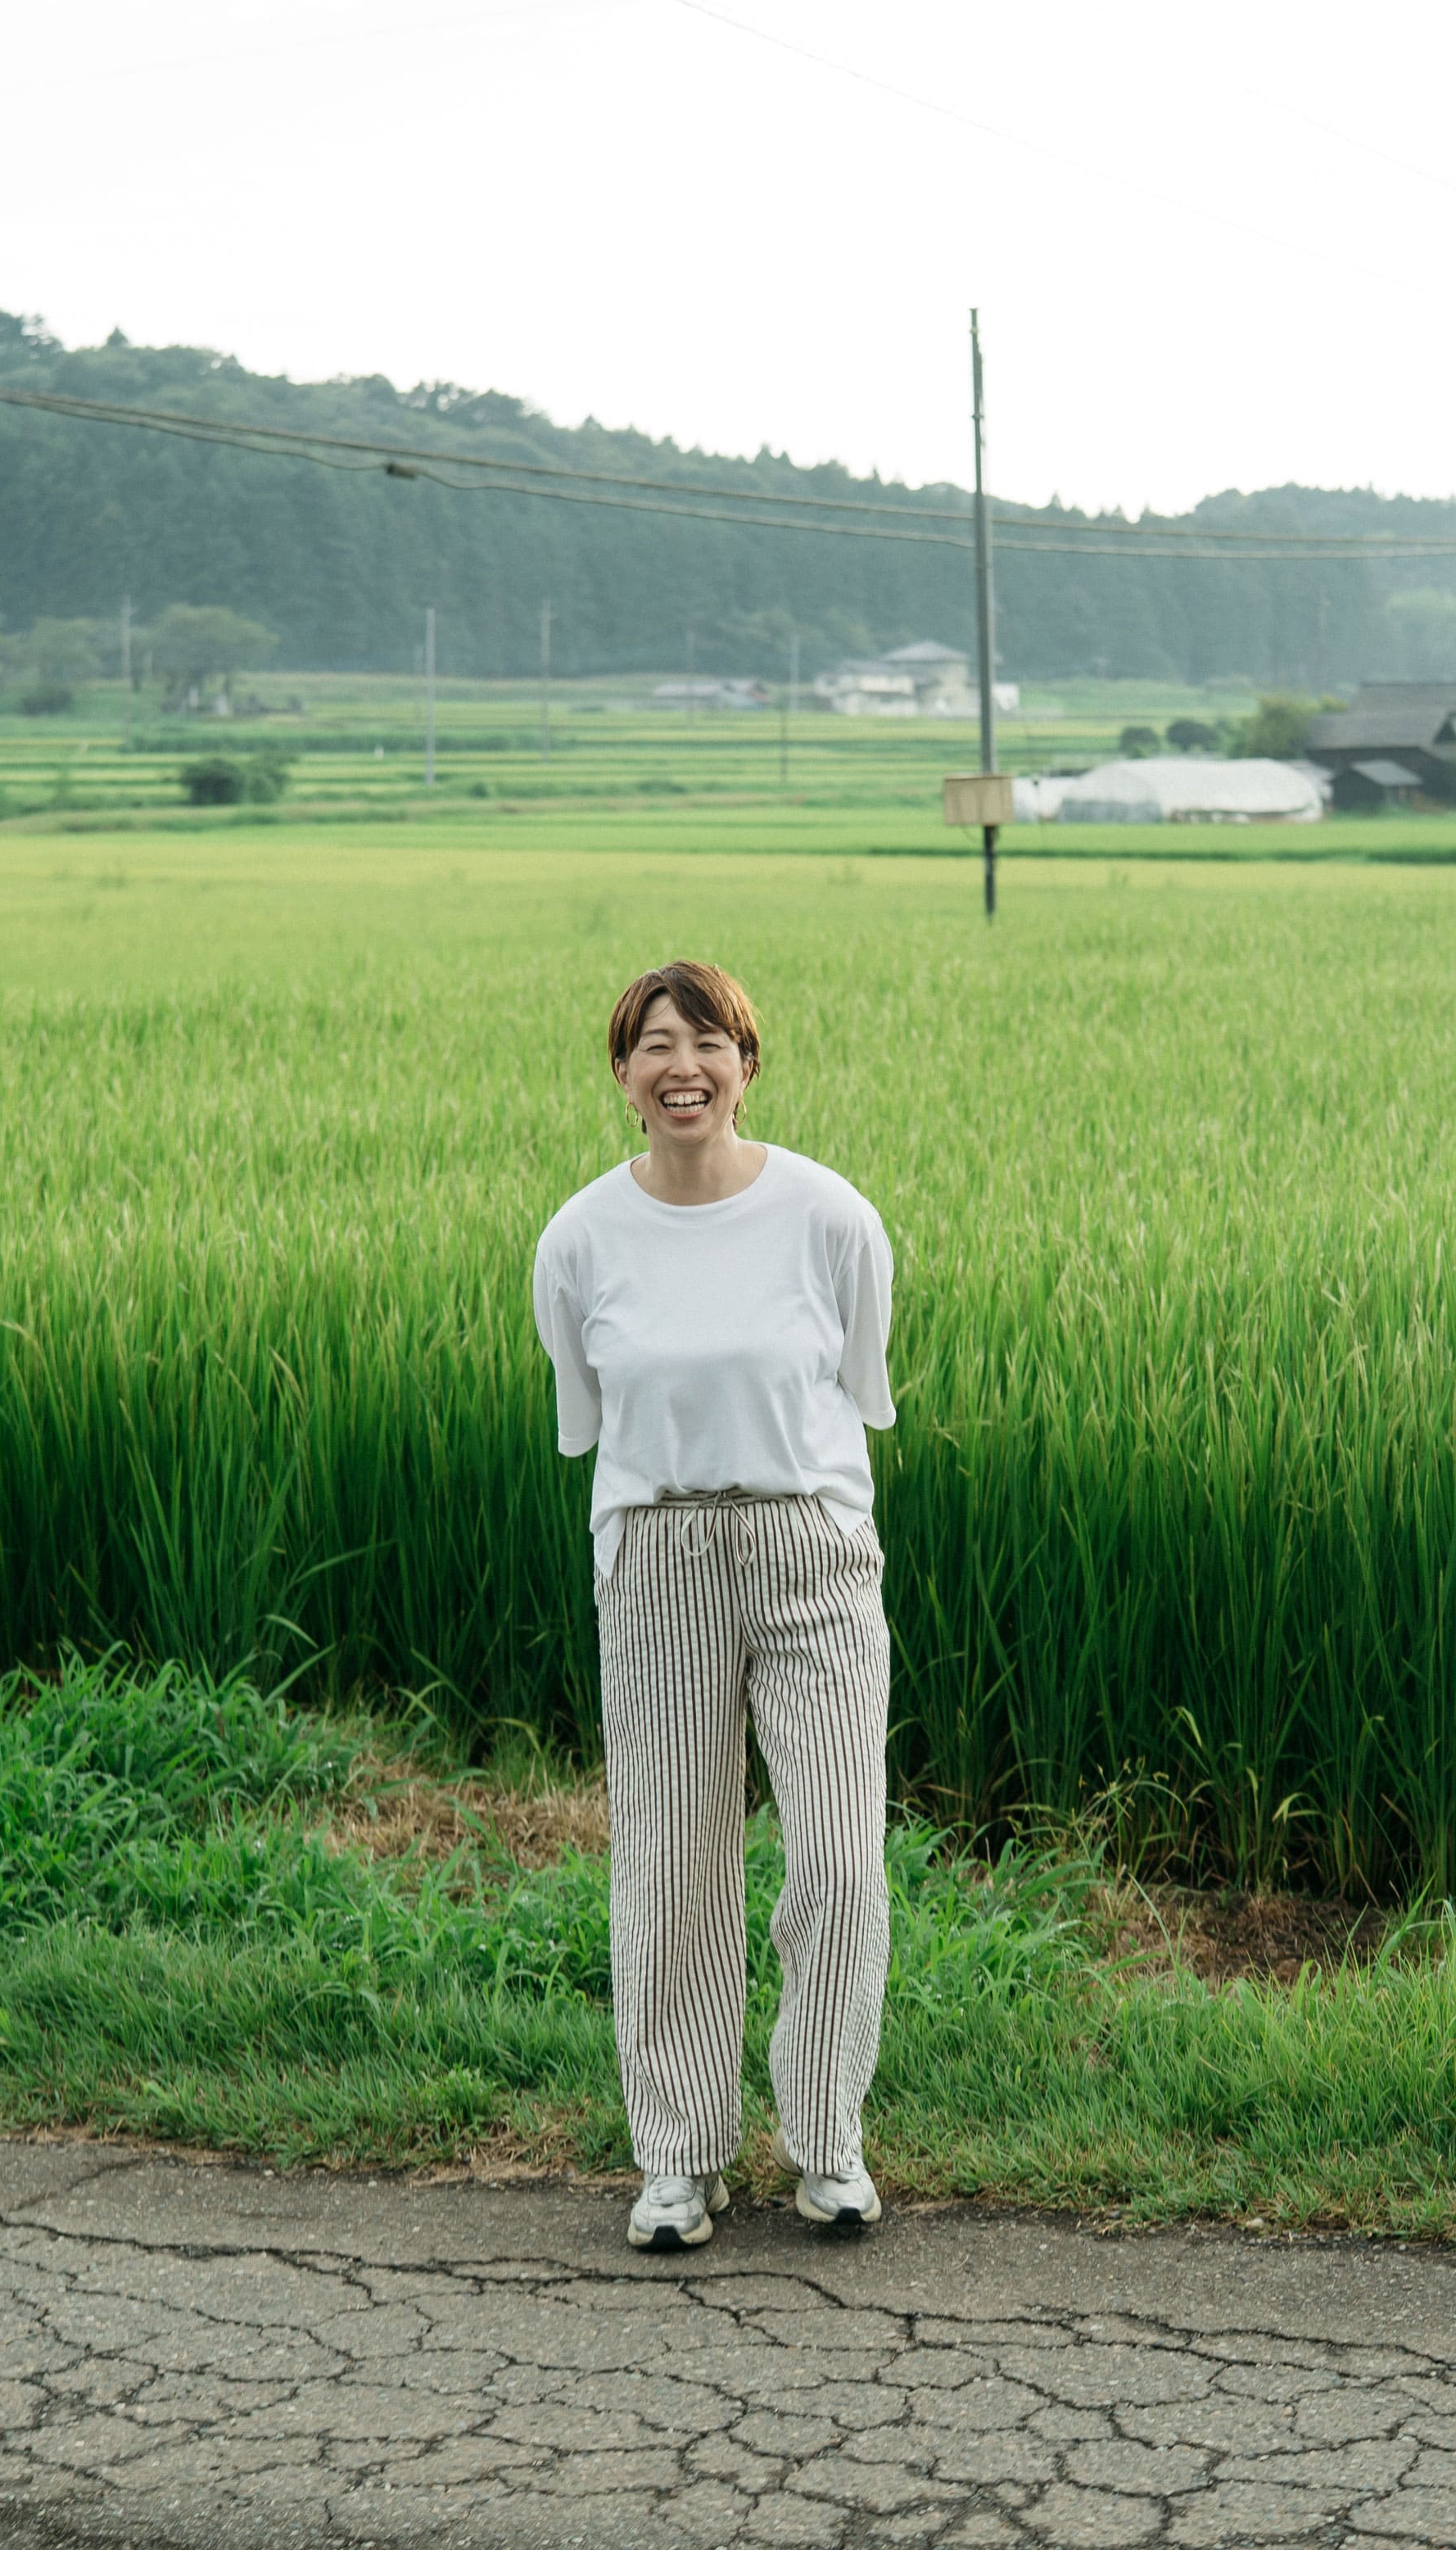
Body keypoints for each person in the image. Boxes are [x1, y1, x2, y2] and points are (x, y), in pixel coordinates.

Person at [531, 959, 898, 2253]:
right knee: (674, 1864)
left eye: (707, 1041)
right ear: (623, 1076)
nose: (681, 1066)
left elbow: (859, 1387)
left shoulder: (830, 1216)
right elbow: (594, 1419)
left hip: (810, 1551)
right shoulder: (577, 1240)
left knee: (845, 1862)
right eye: (653, 1045)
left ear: (747, 1061)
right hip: (660, 1553)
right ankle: (679, 2158)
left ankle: (827, 2138)